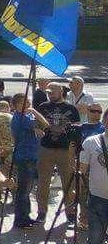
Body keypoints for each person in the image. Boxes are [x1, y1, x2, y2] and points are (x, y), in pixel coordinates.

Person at [36, 82, 82, 227]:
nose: (50, 95)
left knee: (68, 183)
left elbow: (78, 128)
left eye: (53, 92)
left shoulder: (71, 108)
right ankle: (41, 213)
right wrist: (37, 128)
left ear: (60, 91)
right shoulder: (43, 107)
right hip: (46, 148)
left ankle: (70, 214)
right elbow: (36, 124)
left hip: (65, 149)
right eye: (48, 92)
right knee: (43, 182)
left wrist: (74, 148)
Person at [75, 120, 108, 244]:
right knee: (94, 243)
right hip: (98, 201)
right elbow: (82, 171)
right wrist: (81, 201)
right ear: (105, 122)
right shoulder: (92, 142)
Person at [9, 93, 46, 229]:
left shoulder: (25, 117)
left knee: (26, 190)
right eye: (24, 103)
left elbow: (39, 129)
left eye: (29, 102)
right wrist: (35, 111)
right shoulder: (21, 118)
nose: (28, 105)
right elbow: (45, 123)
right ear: (16, 105)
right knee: (24, 190)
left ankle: (26, 216)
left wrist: (36, 128)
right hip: (25, 157)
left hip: (30, 156)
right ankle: (21, 219)